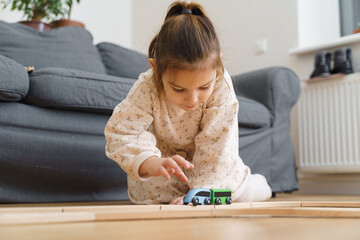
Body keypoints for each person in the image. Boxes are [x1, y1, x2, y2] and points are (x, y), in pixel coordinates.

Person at [104, 1, 272, 205]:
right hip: (165, 167)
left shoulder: (221, 85)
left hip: (212, 168)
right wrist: (152, 162)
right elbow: (122, 131)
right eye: (178, 89)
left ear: (218, 64)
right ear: (156, 70)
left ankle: (256, 183)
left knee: (243, 195)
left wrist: (201, 192)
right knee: (158, 198)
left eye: (203, 87)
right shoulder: (147, 86)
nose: (192, 100)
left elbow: (217, 145)